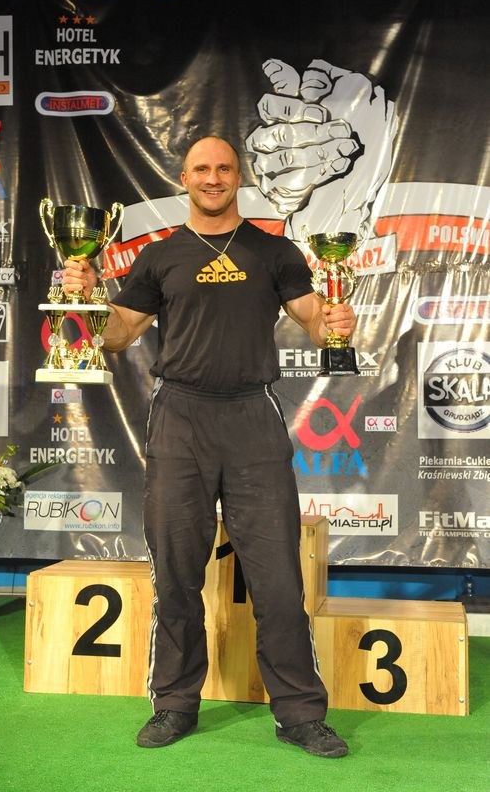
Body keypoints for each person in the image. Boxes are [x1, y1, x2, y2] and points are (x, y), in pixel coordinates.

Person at [62, 136, 356, 758]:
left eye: (224, 168)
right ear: (184, 177)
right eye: (202, 169)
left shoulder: (274, 250)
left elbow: (311, 316)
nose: (213, 178)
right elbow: (119, 335)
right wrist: (86, 297)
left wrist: (333, 322)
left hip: (253, 417)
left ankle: (300, 714)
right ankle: (174, 704)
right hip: (180, 418)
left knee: (278, 578)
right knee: (175, 574)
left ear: (238, 176)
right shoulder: (161, 255)